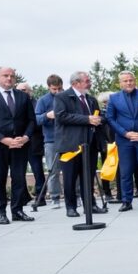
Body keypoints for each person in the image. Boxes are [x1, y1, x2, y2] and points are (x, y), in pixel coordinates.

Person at [0, 66, 36, 224]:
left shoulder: (23, 96)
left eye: (12, 76)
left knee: (19, 179)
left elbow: (31, 120)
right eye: (5, 75)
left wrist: (25, 137)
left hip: (20, 144)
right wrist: (4, 139)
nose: (9, 78)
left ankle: (17, 210)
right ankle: (1, 212)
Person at [53, 71, 105, 218]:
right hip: (70, 145)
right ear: (76, 83)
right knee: (70, 178)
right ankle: (71, 207)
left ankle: (91, 204)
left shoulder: (91, 99)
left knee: (88, 177)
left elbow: (96, 116)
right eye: (87, 81)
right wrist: (87, 119)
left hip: (90, 144)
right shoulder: (62, 97)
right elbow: (62, 116)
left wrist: (99, 119)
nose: (90, 83)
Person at [106, 70, 138, 211]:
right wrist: (125, 133)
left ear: (134, 81)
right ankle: (126, 201)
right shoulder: (114, 98)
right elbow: (110, 118)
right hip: (125, 141)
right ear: (120, 83)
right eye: (125, 81)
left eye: (131, 80)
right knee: (125, 172)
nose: (128, 83)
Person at [35, 74, 65, 207]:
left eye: (59, 88)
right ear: (49, 87)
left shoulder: (68, 97)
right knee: (53, 170)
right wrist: (47, 115)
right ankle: (55, 197)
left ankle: (76, 195)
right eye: (54, 89)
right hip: (51, 140)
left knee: (74, 169)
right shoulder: (43, 100)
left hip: (69, 138)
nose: (57, 92)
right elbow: (36, 119)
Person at [17, 83, 44, 206]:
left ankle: (40, 197)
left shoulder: (37, 104)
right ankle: (23, 196)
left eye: (24, 90)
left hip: (34, 142)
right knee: (18, 172)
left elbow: (37, 122)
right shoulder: (15, 103)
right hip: (18, 143)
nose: (22, 92)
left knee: (37, 171)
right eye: (19, 90)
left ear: (30, 91)